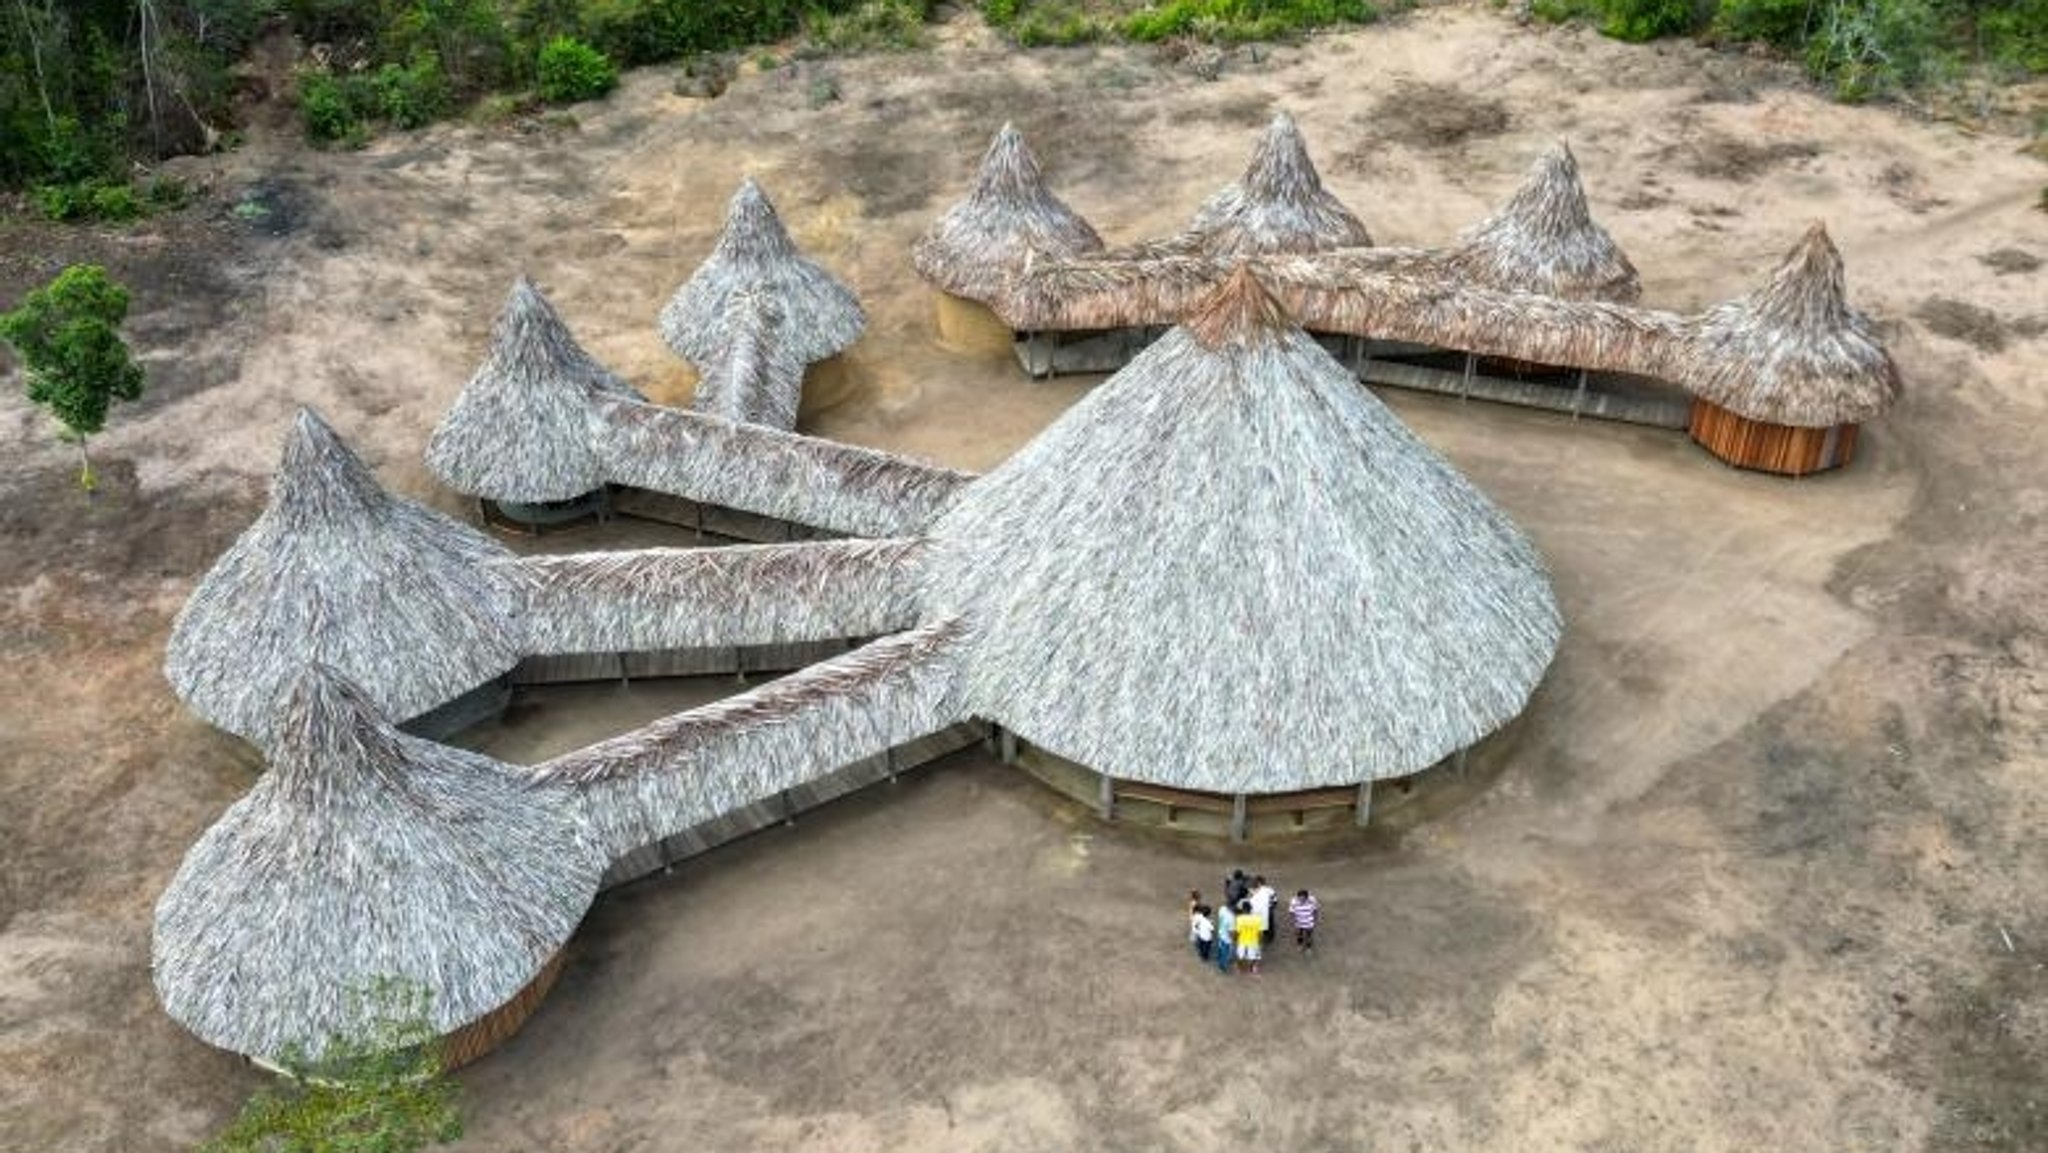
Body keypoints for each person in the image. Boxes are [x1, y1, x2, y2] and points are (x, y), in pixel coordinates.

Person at [1234, 898, 1264, 975]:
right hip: (1253, 940)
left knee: (1240, 955)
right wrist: (1260, 941)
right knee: (1254, 956)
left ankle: (1239, 969)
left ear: (1243, 909)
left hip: (1242, 940)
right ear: (1251, 909)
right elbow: (1260, 933)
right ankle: (1253, 968)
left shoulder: (1239, 919)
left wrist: (1235, 939)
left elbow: (1237, 932)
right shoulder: (1257, 919)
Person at [1249, 875, 1277, 947]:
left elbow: (1250, 900)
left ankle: (1265, 937)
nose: (1253, 883)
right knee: (1269, 924)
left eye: (1255, 882)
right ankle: (1268, 938)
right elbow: (1275, 900)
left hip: (1260, 910)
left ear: (1259, 883)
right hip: (1266, 909)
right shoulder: (1269, 890)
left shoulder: (1254, 890)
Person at [1213, 901, 1238, 974]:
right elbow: (1231, 932)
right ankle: (1222, 966)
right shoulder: (1231, 918)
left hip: (1220, 932)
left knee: (1220, 948)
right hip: (1227, 938)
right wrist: (1234, 938)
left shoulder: (1222, 909)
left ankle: (1218, 958)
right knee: (1225, 953)